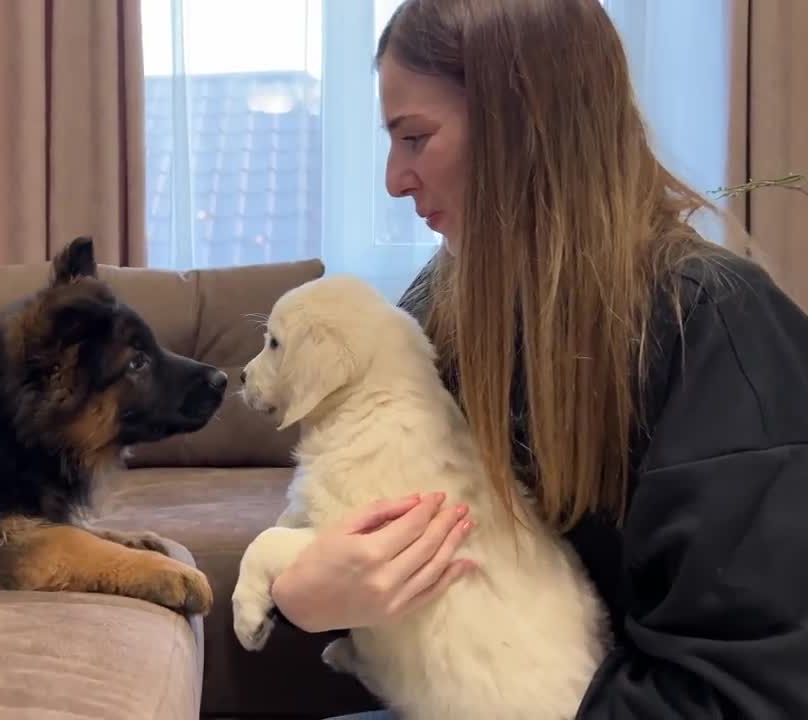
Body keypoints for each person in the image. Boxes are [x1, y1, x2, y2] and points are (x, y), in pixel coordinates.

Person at [268, 0, 808, 717]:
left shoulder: (714, 326)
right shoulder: (445, 301)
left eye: (416, 138)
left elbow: (744, 693)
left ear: (528, 124)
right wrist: (314, 595)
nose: (395, 180)